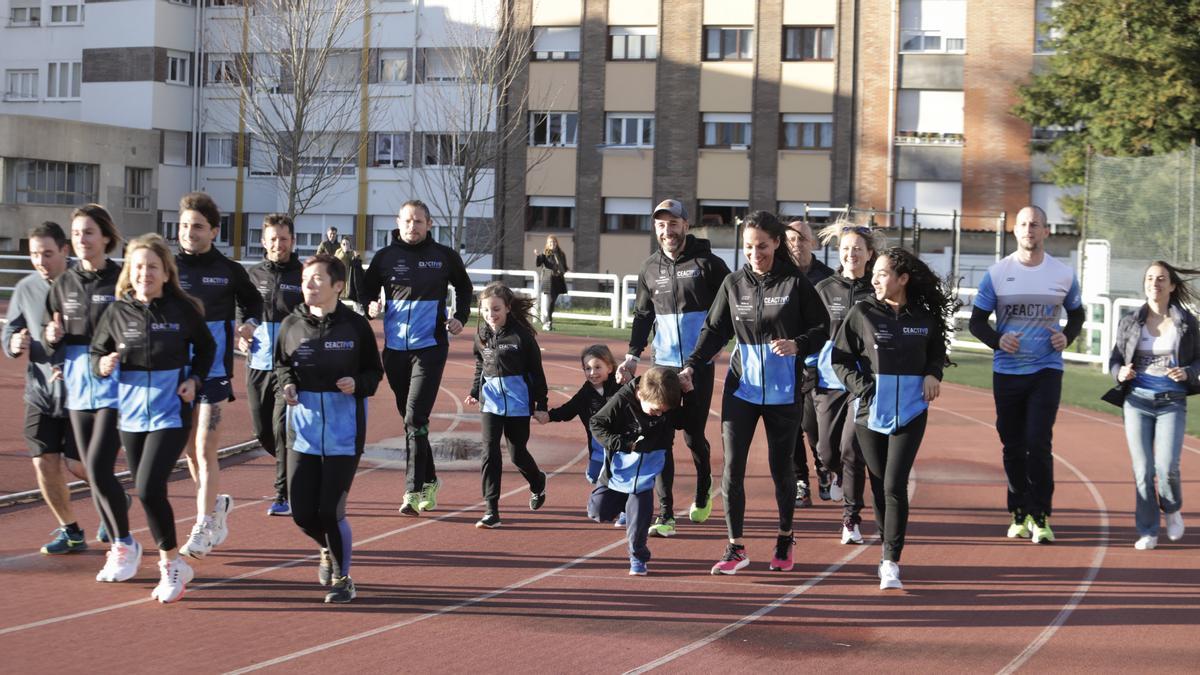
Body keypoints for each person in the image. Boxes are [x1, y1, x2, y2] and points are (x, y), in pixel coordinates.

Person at [679, 210, 828, 575]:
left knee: (782, 471)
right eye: (748, 247)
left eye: (761, 246)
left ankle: (784, 537)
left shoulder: (795, 284)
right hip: (742, 389)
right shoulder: (733, 284)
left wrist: (798, 344)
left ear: (777, 243)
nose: (755, 253)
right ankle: (735, 548)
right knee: (732, 469)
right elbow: (714, 331)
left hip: (785, 391)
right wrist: (691, 365)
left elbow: (822, 327)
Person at [90, 233, 216, 603]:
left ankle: (171, 565)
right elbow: (98, 353)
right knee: (147, 491)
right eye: (139, 266)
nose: (145, 273)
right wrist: (103, 362)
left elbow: (207, 349)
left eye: (153, 267)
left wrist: (194, 379)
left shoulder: (183, 309)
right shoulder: (116, 312)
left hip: (171, 412)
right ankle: (175, 563)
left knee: (147, 487)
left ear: (165, 272)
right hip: (130, 415)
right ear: (130, 271)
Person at [832, 247, 956, 590]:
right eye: (875, 273)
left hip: (912, 412)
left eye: (883, 273)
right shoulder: (862, 312)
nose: (875, 278)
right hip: (871, 413)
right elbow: (840, 358)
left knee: (893, 484)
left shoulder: (924, 317)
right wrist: (864, 389)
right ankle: (887, 545)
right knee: (878, 484)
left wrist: (934, 374)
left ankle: (890, 559)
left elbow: (937, 352)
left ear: (902, 279)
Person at [969, 205, 1085, 544]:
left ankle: (1041, 514)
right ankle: (1018, 510)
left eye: (1035, 224)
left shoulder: (1062, 274)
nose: (1029, 230)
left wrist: (1068, 335)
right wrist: (997, 339)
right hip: (1007, 372)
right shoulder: (997, 273)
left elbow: (1076, 314)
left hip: (1046, 369)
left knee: (1038, 441)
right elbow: (977, 322)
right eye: (1023, 224)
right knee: (1013, 445)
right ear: (1014, 231)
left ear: (1046, 231)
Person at [618, 198, 732, 538]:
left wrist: (704, 356)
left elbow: (727, 315)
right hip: (663, 365)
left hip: (698, 365)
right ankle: (665, 514)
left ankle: (703, 487)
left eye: (673, 223)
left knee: (693, 436)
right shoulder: (649, 268)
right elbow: (643, 315)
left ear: (686, 224)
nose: (667, 230)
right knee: (660, 438)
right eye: (660, 224)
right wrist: (633, 354)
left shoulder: (709, 264)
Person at [276, 254, 383, 604]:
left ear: (338, 285)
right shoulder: (291, 324)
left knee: (329, 510)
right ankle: (326, 548)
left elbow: (374, 373)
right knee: (302, 512)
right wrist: (288, 384)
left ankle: (343, 578)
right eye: (306, 278)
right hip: (303, 432)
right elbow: (282, 366)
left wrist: (358, 382)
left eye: (317, 279)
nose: (309, 285)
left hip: (344, 432)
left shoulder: (355, 326)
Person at [360, 200, 473, 517]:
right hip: (395, 351)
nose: (413, 226)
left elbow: (464, 288)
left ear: (429, 223)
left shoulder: (443, 257)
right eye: (408, 221)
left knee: (414, 418)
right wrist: (369, 306)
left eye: (419, 221)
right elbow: (365, 292)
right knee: (413, 423)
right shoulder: (385, 258)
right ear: (398, 222)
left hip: (430, 349)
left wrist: (460, 317)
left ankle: (412, 490)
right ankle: (431, 478)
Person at [44, 205, 133, 576]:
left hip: (115, 383)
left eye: (89, 232)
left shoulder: (122, 280)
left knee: (97, 467)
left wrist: (120, 354)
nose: (82, 239)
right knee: (90, 469)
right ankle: (119, 538)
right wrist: (52, 340)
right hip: (79, 388)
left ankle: (123, 544)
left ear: (106, 238)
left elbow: (136, 326)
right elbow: (54, 339)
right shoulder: (63, 284)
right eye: (77, 233)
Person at [174, 191, 263, 559]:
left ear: (213, 231)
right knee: (189, 452)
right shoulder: (168, 266)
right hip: (175, 371)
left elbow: (254, 303)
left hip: (212, 372)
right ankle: (215, 506)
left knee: (205, 448)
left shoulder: (228, 270)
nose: (189, 233)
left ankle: (202, 524)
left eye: (197, 227)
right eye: (183, 226)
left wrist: (248, 325)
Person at [4, 222, 93, 555]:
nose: (41, 261)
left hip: (81, 394)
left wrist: (64, 342)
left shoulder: (83, 285)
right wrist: (13, 342)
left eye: (48, 254)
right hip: (41, 393)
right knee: (43, 462)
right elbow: (10, 331)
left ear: (65, 251)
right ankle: (71, 531)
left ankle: (111, 495)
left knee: (78, 466)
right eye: (33, 254)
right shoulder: (26, 287)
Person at [1106, 261, 1196, 549]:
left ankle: (1172, 509)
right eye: (1149, 278)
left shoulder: (1187, 323)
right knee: (1143, 469)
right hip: (1137, 402)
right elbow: (1116, 359)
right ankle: (1147, 530)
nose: (1154, 283)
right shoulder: (1131, 321)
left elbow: (1199, 359)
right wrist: (1119, 373)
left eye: (1161, 279)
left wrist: (1190, 373)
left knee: (1167, 466)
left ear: (1171, 286)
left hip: (1172, 401)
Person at [812, 221, 884, 544]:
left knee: (850, 448)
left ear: (869, 254)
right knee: (826, 452)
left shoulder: (877, 291)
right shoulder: (825, 289)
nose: (851, 254)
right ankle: (836, 473)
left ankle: (850, 518)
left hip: (863, 382)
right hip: (828, 382)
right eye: (845, 249)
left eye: (857, 249)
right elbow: (811, 331)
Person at [464, 282, 549, 529]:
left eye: (496, 309)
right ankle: (491, 509)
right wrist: (474, 392)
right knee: (489, 451)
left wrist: (541, 404)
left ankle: (537, 481)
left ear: (508, 308)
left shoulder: (521, 335)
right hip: (490, 401)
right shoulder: (481, 335)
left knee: (517, 453)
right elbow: (480, 365)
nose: (491, 315)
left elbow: (537, 372)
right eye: (487, 310)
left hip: (518, 402)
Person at [588, 368, 683, 575]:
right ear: (640, 395)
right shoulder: (622, 399)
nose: (660, 414)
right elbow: (596, 423)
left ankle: (638, 557)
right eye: (656, 410)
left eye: (663, 411)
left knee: (639, 516)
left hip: (647, 469)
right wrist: (622, 444)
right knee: (598, 512)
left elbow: (690, 422)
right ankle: (624, 507)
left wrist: (691, 394)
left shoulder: (668, 400)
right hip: (619, 466)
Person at [243, 214, 304, 516]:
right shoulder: (252, 276)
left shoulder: (303, 275)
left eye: (283, 239)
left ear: (292, 241)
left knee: (281, 429)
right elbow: (242, 314)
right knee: (263, 433)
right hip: (257, 364)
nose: (278, 244)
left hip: (289, 368)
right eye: (272, 239)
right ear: (263, 242)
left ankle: (284, 494)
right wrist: (242, 334)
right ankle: (293, 463)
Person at [786, 220, 835, 507]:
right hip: (787, 363)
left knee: (816, 429)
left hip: (821, 366)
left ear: (813, 242)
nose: (796, 243)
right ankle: (800, 481)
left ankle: (824, 467)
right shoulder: (779, 276)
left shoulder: (828, 279)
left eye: (802, 238)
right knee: (791, 426)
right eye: (791, 238)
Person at [548, 344, 621, 484]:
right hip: (598, 446)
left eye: (597, 367)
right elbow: (568, 410)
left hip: (620, 445)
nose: (592, 372)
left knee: (617, 480)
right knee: (595, 477)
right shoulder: (585, 394)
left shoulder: (621, 387)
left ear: (610, 368)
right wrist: (549, 416)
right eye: (588, 368)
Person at [534, 234, 569, 330]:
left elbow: (564, 267)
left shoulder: (561, 254)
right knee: (549, 301)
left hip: (558, 280)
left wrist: (564, 270)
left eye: (554, 242)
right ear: (547, 244)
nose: (552, 244)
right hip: (548, 279)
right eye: (550, 242)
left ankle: (548, 322)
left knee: (553, 302)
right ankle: (548, 322)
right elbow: (539, 263)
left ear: (556, 243)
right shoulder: (545, 253)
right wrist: (538, 256)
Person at [335, 237, 365, 311]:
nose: (345, 245)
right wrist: (344, 252)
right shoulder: (338, 252)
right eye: (343, 244)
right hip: (341, 279)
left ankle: (358, 314)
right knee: (338, 298)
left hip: (351, 279)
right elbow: (339, 259)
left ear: (350, 245)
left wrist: (356, 257)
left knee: (354, 297)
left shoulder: (353, 253)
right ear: (341, 245)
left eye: (347, 244)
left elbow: (359, 263)